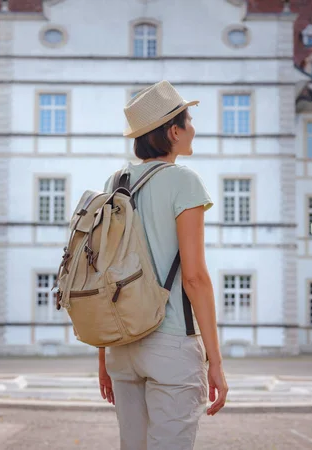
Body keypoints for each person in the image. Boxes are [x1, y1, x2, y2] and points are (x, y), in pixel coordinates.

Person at [98, 80, 228, 450]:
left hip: (122, 345)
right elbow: (195, 278)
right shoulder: (184, 181)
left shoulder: (116, 182)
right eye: (189, 121)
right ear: (174, 131)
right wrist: (214, 361)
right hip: (171, 344)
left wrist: (103, 356)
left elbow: (104, 274)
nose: (193, 129)